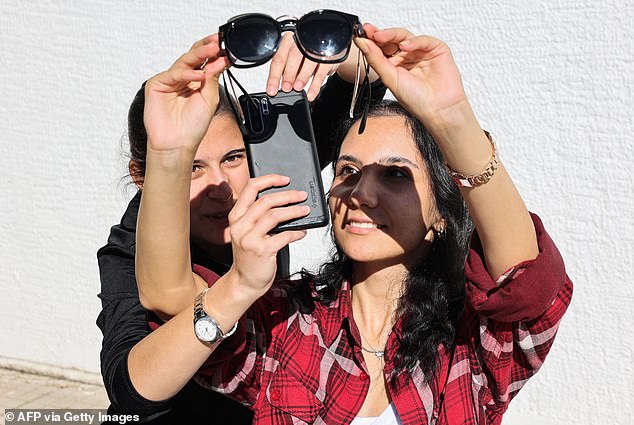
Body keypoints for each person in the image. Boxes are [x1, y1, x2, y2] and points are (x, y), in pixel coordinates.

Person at [134, 23, 573, 425]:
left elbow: (527, 286)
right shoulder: (287, 322)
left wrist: (453, 118)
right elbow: (168, 307)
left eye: (395, 173)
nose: (361, 193)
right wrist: (169, 154)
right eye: (347, 171)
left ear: (441, 214)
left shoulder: (470, 341)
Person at [96, 31, 388, 423]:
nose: (222, 186)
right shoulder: (131, 246)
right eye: (192, 167)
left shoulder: (264, 180)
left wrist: (331, 50)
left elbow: (364, 85)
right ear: (143, 176)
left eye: (233, 157)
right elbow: (129, 390)